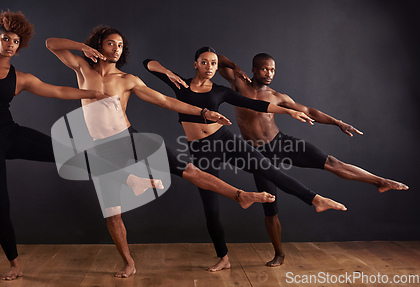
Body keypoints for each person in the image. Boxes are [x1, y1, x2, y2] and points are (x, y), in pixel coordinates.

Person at [0, 11, 163, 281]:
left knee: (71, 153)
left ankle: (132, 179)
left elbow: (59, 91)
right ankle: (15, 264)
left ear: (19, 46)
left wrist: (93, 93)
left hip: (10, 134)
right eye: (6, 39)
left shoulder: (21, 79)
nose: (10, 44)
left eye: (16, 41)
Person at [46, 27, 276, 278]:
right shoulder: (82, 68)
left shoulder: (127, 80)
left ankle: (240, 195)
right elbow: (51, 43)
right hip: (101, 149)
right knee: (112, 214)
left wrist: (203, 112)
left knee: (188, 170)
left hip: (129, 138)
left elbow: (165, 101)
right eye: (111, 44)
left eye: (120, 45)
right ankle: (128, 262)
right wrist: (82, 46)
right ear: (99, 45)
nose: (116, 49)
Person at [143, 46, 347, 272]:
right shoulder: (179, 83)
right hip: (201, 151)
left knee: (270, 171)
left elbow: (255, 104)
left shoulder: (220, 90)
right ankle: (223, 257)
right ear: (195, 64)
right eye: (204, 62)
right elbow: (148, 63)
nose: (209, 67)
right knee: (211, 208)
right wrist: (167, 72)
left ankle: (315, 199)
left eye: (213, 63)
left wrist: (287, 111)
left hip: (226, 141)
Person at [217, 52, 409, 267]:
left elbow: (308, 110)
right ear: (253, 69)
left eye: (272, 69)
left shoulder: (278, 96)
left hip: (282, 143)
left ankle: (379, 181)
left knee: (333, 163)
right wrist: (234, 65)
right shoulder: (238, 85)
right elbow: (214, 56)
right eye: (264, 69)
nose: (269, 73)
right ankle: (279, 253)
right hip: (259, 154)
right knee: (270, 207)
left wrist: (338, 122)